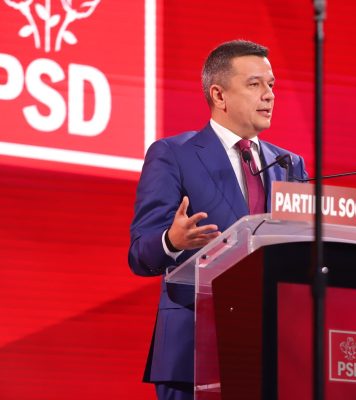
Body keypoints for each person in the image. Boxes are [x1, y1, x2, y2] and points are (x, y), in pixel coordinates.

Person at [128, 39, 308, 400]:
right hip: (194, 353)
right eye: (255, 84)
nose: (269, 95)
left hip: (269, 353)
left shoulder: (290, 165)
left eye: (271, 85)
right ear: (219, 95)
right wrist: (171, 241)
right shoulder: (173, 154)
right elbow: (139, 253)